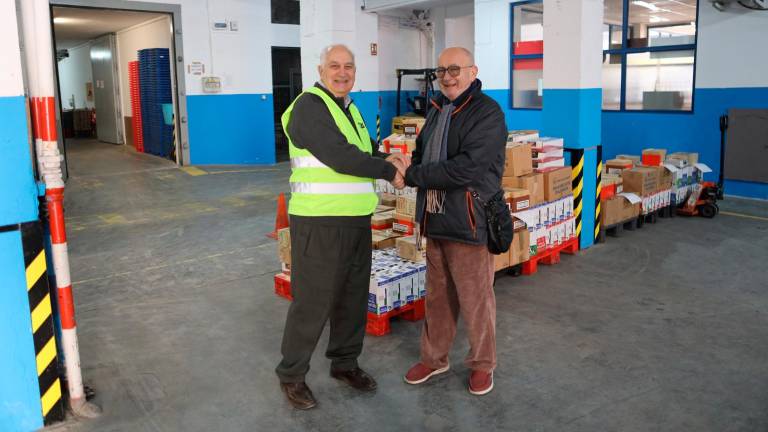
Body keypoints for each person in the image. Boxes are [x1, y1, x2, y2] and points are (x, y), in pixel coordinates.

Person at [275, 44, 408, 410]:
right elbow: (338, 155)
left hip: (354, 220)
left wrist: (387, 158)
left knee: (351, 297)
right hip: (319, 221)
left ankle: (345, 363)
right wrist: (387, 170)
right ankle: (292, 374)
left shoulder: (350, 108)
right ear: (320, 69)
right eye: (334, 65)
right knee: (313, 302)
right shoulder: (308, 108)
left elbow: (362, 152)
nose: (342, 72)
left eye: (348, 66)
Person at [401, 47, 507, 395]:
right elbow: (420, 152)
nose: (447, 75)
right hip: (435, 217)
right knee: (437, 296)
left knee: (476, 298)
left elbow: (467, 168)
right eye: (442, 69)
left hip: (470, 219)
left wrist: (415, 175)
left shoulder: (487, 113)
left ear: (472, 71)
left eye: (455, 68)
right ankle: (434, 358)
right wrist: (413, 169)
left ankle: (482, 364)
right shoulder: (436, 110)